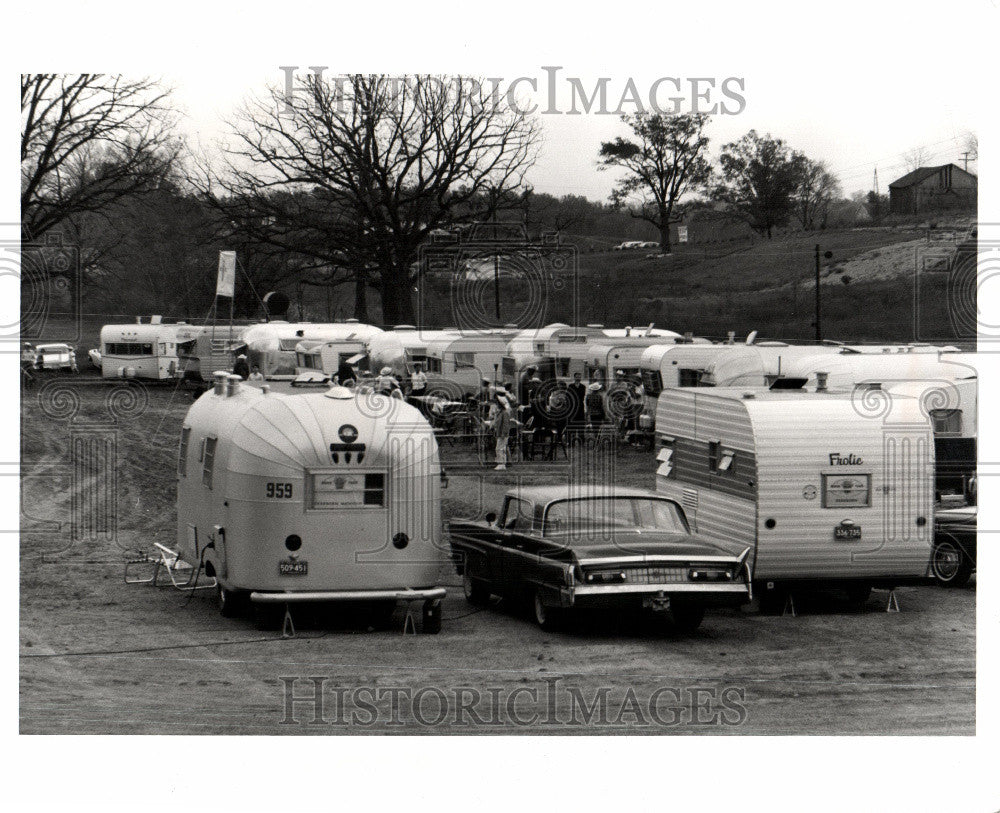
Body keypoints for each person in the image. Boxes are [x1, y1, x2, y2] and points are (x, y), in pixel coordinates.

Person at [490, 392, 513, 470]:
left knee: (500, 448)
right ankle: (501, 463)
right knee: (500, 448)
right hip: (500, 433)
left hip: (503, 434)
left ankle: (502, 464)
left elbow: (505, 425)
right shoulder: (500, 412)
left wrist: (504, 433)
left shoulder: (504, 413)